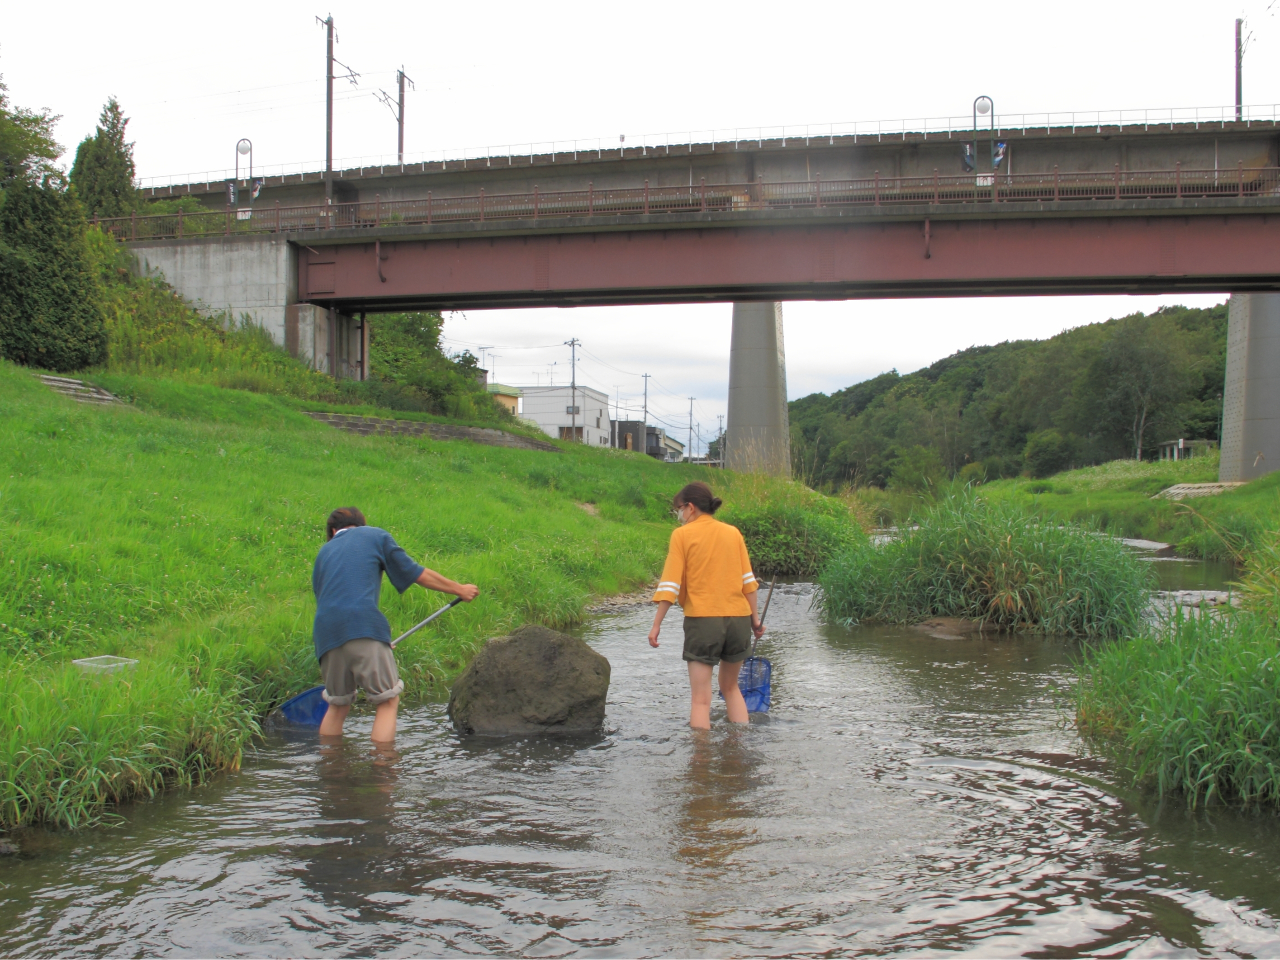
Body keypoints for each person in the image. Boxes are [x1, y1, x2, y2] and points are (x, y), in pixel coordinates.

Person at [313, 507, 479, 742]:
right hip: (363, 626)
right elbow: (415, 573)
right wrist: (459, 589)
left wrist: (374, 640)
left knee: (337, 705)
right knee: (388, 701)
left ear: (333, 531)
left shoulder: (323, 553)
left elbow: (331, 601)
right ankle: (384, 772)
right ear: (362, 524)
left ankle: (331, 770)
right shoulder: (374, 535)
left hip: (325, 635)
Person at [648, 482, 764, 729]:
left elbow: (670, 585)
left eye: (678, 509)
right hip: (739, 620)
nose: (678, 515)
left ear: (690, 507)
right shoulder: (733, 533)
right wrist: (755, 621)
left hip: (703, 621)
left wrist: (656, 624)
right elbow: (749, 584)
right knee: (731, 689)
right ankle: (739, 752)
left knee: (701, 700)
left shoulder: (682, 535)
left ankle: (701, 764)